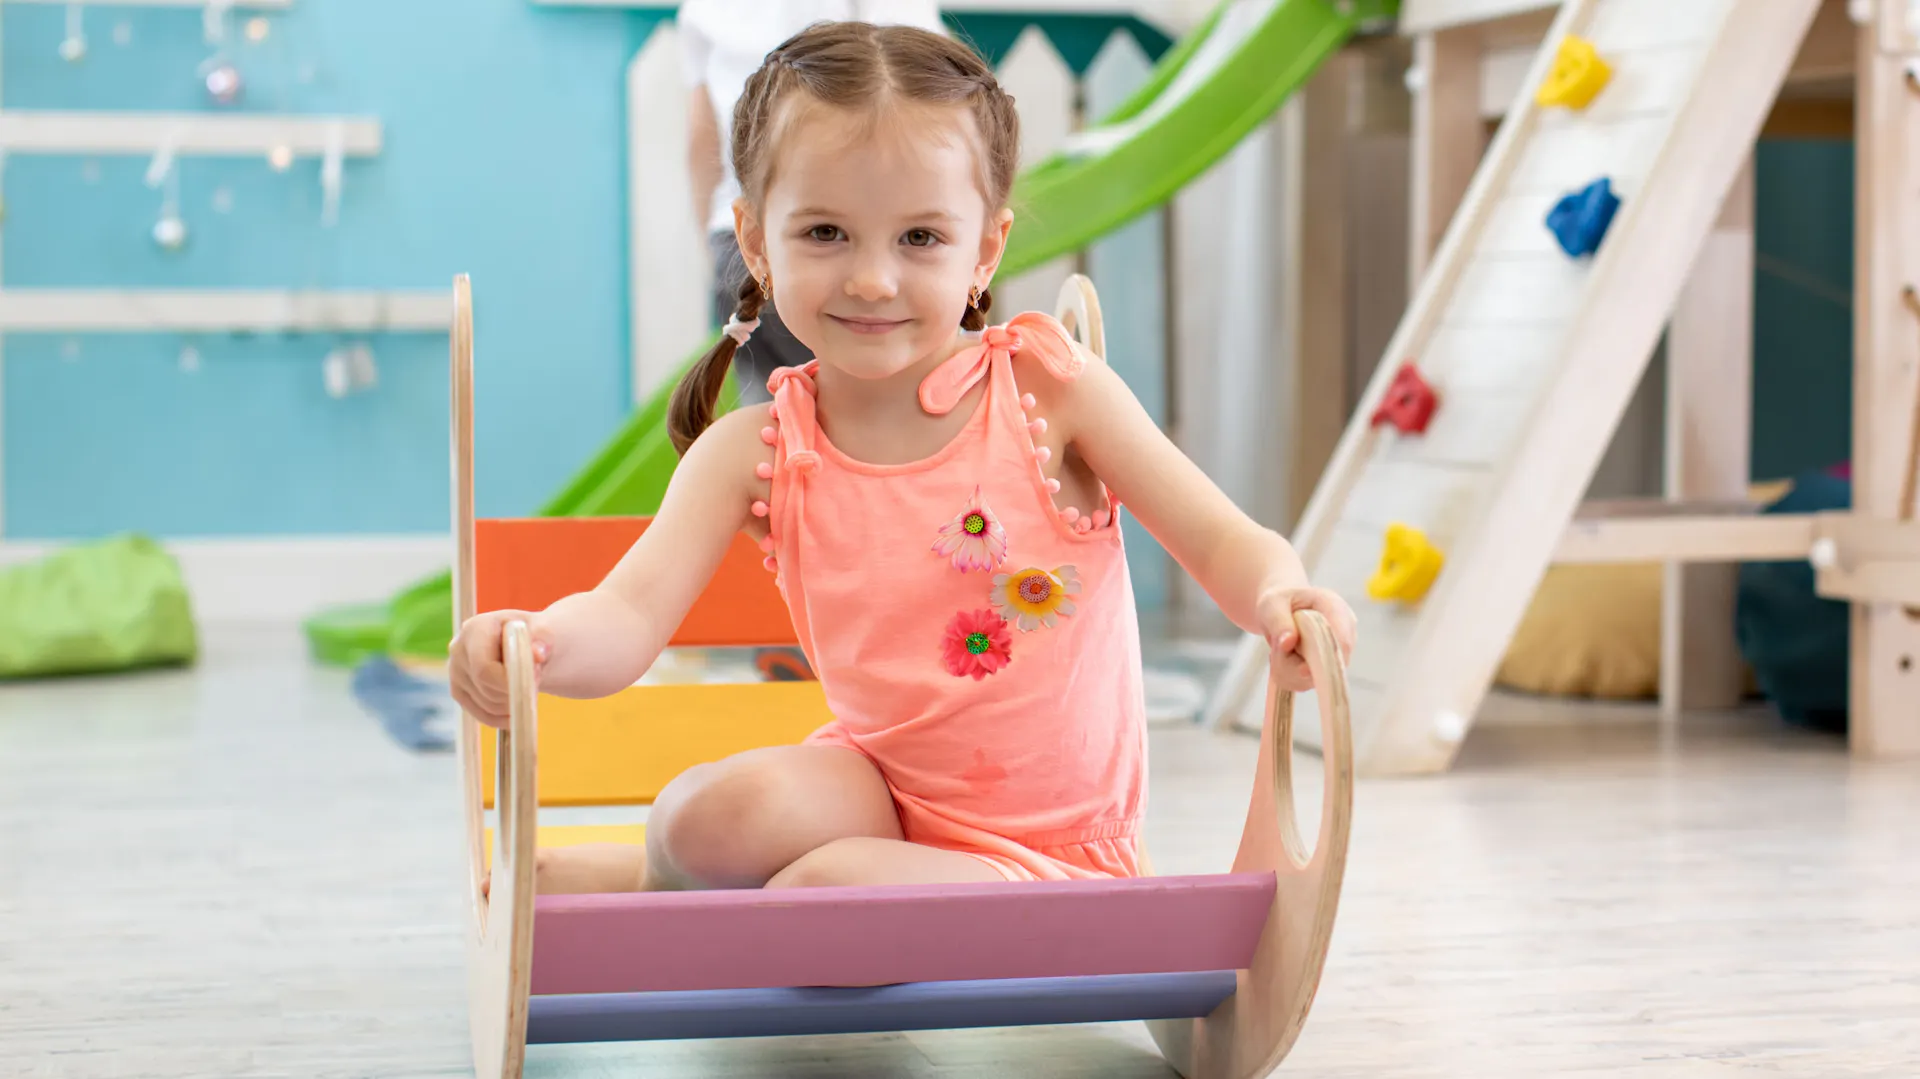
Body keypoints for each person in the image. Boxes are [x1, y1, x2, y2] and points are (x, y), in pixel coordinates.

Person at [455, 21, 1357, 895]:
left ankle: (720, 898)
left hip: (1050, 846)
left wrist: (1280, 595)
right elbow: (628, 612)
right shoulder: (758, 445)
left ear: (985, 249)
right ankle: (650, 881)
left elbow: (1223, 539)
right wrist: (537, 647)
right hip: (880, 793)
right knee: (701, 817)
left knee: (825, 887)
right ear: (758, 242)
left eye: (920, 238)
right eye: (825, 234)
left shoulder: (1050, 391)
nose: (873, 278)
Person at [679, 0, 947, 405]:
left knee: (773, 422)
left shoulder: (708, 8)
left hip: (744, 242)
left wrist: (718, 241)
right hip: (847, 237)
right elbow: (924, 94)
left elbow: (701, 143)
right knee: (884, 424)